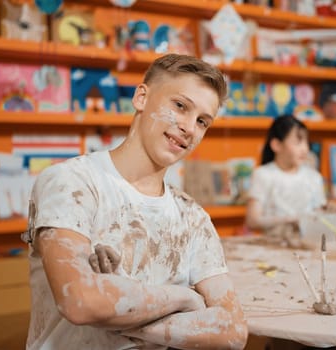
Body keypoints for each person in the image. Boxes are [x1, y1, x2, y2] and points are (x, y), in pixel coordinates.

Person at [22, 54, 248, 349]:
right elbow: (80, 302)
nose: (190, 128)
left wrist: (122, 311)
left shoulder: (193, 217)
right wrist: (185, 299)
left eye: (202, 121)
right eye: (180, 106)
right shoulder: (72, 183)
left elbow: (233, 331)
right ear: (142, 97)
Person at [245, 115, 331, 243]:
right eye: (298, 142)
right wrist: (291, 219)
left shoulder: (314, 177)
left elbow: (319, 217)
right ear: (276, 145)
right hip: (273, 246)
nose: (305, 149)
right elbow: (252, 221)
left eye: (306, 142)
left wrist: (328, 212)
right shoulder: (263, 175)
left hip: (308, 246)